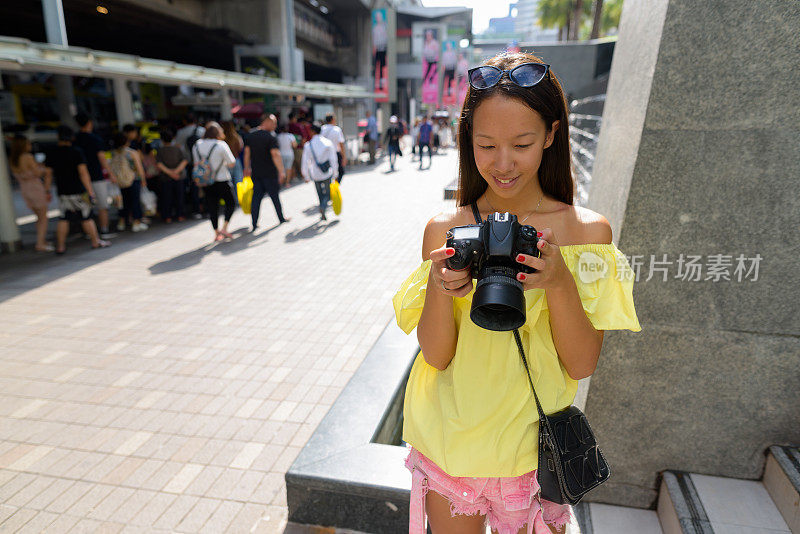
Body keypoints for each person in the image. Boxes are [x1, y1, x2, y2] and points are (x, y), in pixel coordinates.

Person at [393, 53, 641, 534]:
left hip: (533, 458)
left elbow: (581, 363)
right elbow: (437, 356)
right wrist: (445, 287)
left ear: (551, 135)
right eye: (486, 145)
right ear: (468, 140)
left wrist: (558, 281)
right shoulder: (446, 229)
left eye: (522, 144)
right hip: (450, 447)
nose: (502, 164)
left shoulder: (585, 233)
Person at [47, 126, 111, 253]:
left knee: (63, 218)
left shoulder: (52, 152)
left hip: (63, 191)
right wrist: (90, 192)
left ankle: (60, 246)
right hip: (78, 190)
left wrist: (47, 190)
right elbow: (83, 173)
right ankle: (95, 241)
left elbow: (48, 174)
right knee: (86, 217)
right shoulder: (76, 151)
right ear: (71, 137)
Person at [73, 113, 116, 238]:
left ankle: (89, 232)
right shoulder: (95, 139)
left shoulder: (75, 139)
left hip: (81, 178)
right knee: (102, 205)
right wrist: (110, 173)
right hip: (96, 176)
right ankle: (104, 230)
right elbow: (102, 158)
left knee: (86, 206)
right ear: (89, 123)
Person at [192, 122, 236, 241]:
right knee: (231, 203)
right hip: (222, 179)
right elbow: (232, 162)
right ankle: (224, 228)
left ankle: (216, 232)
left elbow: (197, 163)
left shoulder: (197, 145)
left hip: (205, 180)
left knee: (212, 206)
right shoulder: (221, 145)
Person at [243, 113, 288, 231]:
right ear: (266, 121)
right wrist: (281, 171)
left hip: (256, 173)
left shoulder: (250, 135)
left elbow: (247, 153)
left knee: (256, 199)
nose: (275, 125)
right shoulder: (271, 137)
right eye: (274, 123)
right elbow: (275, 155)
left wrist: (247, 167)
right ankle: (281, 218)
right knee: (274, 197)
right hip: (270, 173)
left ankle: (254, 223)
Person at [9, 135, 53, 251]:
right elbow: (37, 173)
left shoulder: (13, 159)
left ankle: (42, 240)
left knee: (38, 216)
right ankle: (40, 243)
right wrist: (45, 169)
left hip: (24, 189)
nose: (30, 146)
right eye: (28, 143)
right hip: (35, 187)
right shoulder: (27, 157)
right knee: (43, 217)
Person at [110, 132, 149, 232]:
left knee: (124, 202)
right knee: (135, 201)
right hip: (133, 179)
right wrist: (143, 180)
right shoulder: (131, 152)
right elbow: (139, 168)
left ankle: (122, 222)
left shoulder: (114, 153)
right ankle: (137, 223)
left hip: (121, 182)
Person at [301, 124, 338, 221]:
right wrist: (335, 172)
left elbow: (305, 162)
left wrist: (306, 176)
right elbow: (333, 159)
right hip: (326, 173)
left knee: (320, 194)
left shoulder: (308, 145)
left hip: (315, 174)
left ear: (312, 131)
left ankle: (322, 208)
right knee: (327, 194)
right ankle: (323, 207)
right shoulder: (327, 143)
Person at [175, 114, 206, 217]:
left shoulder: (181, 132)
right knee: (205, 184)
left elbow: (178, 148)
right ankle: (205, 208)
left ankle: (196, 209)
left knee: (193, 186)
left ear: (184, 121)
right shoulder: (202, 131)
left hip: (189, 163)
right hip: (202, 162)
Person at [155, 129, 188, 222]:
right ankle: (180, 215)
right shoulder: (178, 148)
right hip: (179, 176)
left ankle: (167, 216)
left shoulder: (160, 151)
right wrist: (176, 172)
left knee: (167, 198)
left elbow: (159, 164)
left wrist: (170, 173)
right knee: (179, 197)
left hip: (166, 177)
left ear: (162, 140)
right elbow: (184, 161)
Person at [320, 113, 347, 183]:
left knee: (327, 171)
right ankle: (335, 186)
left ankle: (329, 185)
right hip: (335, 153)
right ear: (332, 120)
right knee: (340, 171)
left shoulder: (322, 129)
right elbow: (341, 144)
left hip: (324, 154)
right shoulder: (337, 129)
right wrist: (344, 156)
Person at [221, 120, 244, 190]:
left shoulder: (222, 139)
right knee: (238, 184)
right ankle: (237, 201)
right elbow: (241, 148)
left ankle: (231, 200)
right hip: (236, 160)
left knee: (228, 185)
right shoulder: (237, 137)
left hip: (226, 162)